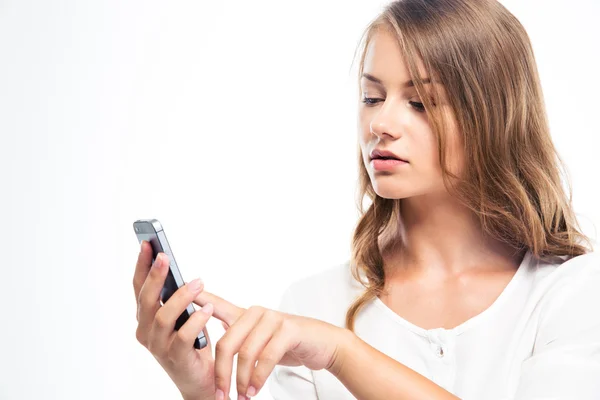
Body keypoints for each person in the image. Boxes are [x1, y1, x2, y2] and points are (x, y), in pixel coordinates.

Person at [132, 0, 600, 399]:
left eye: (419, 103)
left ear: (494, 116)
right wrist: (203, 392)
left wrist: (341, 353)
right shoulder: (313, 304)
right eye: (372, 98)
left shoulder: (568, 292)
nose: (381, 124)